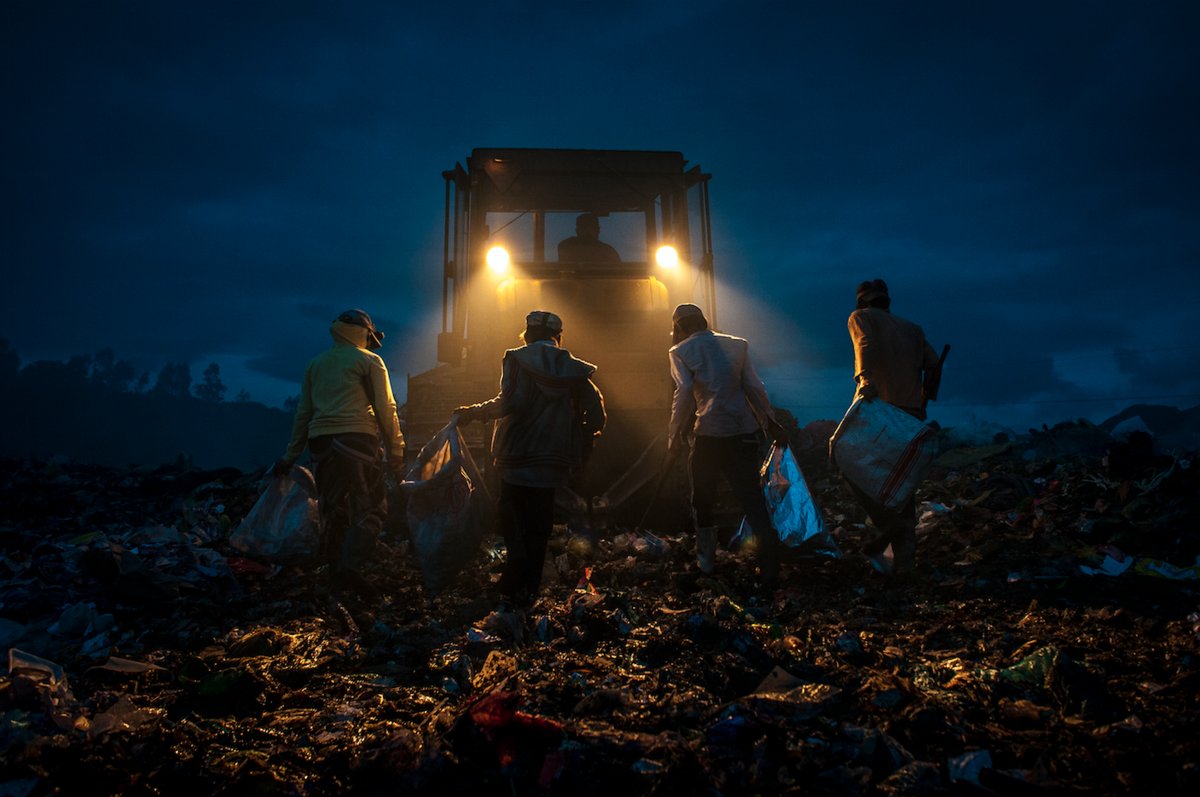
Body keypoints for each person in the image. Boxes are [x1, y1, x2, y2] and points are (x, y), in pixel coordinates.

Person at [453, 310, 606, 612]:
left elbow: (510, 402)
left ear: (527, 333)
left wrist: (474, 412)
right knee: (540, 522)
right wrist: (585, 439)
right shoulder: (573, 368)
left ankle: (512, 576)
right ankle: (529, 586)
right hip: (552, 460)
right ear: (558, 336)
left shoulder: (517, 359)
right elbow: (597, 412)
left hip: (516, 455)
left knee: (513, 518)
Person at [274, 309, 405, 588]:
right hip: (358, 441)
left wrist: (289, 456)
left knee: (333, 510)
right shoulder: (370, 361)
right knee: (371, 509)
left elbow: (303, 413)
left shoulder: (316, 364)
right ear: (365, 334)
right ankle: (348, 568)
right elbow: (386, 408)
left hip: (321, 445)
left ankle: (335, 573)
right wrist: (396, 453)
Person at [667, 303, 788, 588]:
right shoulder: (738, 345)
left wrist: (672, 437)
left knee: (702, 500)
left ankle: (706, 564)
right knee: (752, 499)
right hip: (742, 433)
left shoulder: (679, 352)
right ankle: (770, 564)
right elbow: (755, 388)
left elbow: (683, 394)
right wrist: (771, 424)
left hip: (708, 435)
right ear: (704, 322)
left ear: (679, 328)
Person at [846, 278, 941, 577]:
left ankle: (890, 524)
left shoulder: (860, 318)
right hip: (911, 414)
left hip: (881, 411)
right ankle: (904, 565)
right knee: (903, 486)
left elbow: (865, 344)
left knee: (848, 463)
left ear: (862, 302)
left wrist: (864, 380)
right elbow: (934, 364)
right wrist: (926, 398)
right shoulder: (913, 329)